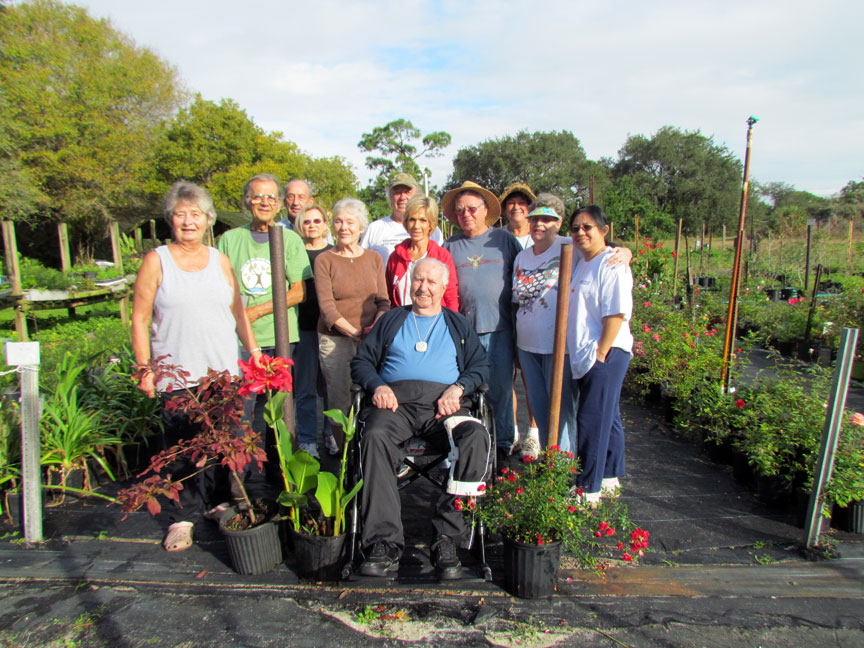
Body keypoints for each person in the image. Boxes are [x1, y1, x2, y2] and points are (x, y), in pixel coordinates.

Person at [132, 181, 262, 552]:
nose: (188, 222)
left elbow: (238, 311)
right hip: (178, 374)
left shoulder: (220, 260)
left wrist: (252, 351)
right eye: (180, 214)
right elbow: (140, 318)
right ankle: (182, 518)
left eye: (195, 215)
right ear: (170, 219)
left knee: (227, 442)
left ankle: (219, 504)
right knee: (182, 445)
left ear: (208, 220)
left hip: (223, 371)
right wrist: (144, 368)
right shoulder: (157, 260)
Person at [351, 258, 490, 580]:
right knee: (373, 437)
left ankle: (447, 539)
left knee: (475, 437)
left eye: (430, 282)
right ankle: (382, 543)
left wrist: (459, 388)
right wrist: (378, 385)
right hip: (394, 405)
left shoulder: (457, 324)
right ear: (409, 283)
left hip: (446, 408)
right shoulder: (391, 321)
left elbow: (481, 367)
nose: (423, 287)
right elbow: (361, 363)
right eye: (418, 280)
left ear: (443, 288)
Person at [217, 173, 312, 476]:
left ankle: (279, 473)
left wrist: (256, 311)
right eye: (258, 196)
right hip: (242, 340)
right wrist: (243, 319)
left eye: (271, 197)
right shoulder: (230, 240)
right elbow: (222, 288)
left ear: (280, 204)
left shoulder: (291, 239)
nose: (264, 202)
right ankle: (239, 478)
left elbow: (298, 291)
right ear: (246, 200)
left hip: (281, 337)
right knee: (241, 410)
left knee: (280, 411)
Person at [442, 181, 521, 464]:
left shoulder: (503, 240)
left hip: (499, 328)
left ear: (485, 210)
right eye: (461, 210)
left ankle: (502, 443)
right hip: (464, 331)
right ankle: (473, 443)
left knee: (500, 389)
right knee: (467, 390)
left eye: (472, 209)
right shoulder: (450, 245)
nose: (467, 214)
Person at [566, 205, 634, 507]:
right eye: (576, 227)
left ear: (604, 230)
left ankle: (587, 488)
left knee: (592, 419)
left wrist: (601, 353)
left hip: (605, 353)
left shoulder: (612, 264)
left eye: (588, 227)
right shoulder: (583, 262)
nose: (581, 232)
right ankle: (609, 476)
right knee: (610, 416)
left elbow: (616, 312)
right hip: (589, 354)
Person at [315, 198, 390, 449]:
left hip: (371, 340)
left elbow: (383, 301)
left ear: (361, 227)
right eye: (338, 221)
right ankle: (344, 453)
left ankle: (369, 450)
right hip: (336, 339)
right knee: (340, 398)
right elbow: (327, 308)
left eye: (350, 222)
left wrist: (372, 330)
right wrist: (354, 332)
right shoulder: (325, 260)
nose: (343, 227)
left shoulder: (374, 259)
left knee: (372, 395)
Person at [512, 205, 578, 458]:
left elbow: (602, 250)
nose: (540, 224)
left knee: (561, 411)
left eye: (547, 220)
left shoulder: (569, 247)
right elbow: (515, 300)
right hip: (527, 345)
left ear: (558, 223)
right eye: (535, 219)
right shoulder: (523, 257)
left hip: (558, 346)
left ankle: (562, 465)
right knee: (539, 408)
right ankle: (551, 461)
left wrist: (623, 252)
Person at [294, 204, 335, 458]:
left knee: (332, 385)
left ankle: (332, 434)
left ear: (325, 224)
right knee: (306, 387)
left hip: (330, 329)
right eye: (307, 221)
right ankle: (308, 439)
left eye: (317, 221)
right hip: (304, 329)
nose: (312, 225)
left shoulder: (332, 253)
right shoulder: (293, 252)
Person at [385, 195, 459, 310]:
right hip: (404, 323)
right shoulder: (395, 257)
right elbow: (389, 297)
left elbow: (451, 297)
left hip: (435, 323)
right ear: (406, 222)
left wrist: (452, 324)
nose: (416, 226)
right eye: (412, 220)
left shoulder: (442, 256)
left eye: (423, 220)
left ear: (431, 224)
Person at [360, 172, 443, 263]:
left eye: (407, 192)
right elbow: (361, 264)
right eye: (397, 192)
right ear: (390, 196)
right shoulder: (374, 228)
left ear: (417, 195)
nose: (402, 197)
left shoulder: (432, 230)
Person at [279, 178, 333, 243]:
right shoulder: (278, 230)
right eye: (291, 197)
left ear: (310, 202)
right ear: (285, 201)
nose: (295, 202)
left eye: (301, 197)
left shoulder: (321, 229)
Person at [498, 182, 536, 249]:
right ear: (505, 209)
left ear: (529, 208)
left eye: (521, 203)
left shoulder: (540, 234)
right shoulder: (497, 237)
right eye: (511, 203)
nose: (516, 207)